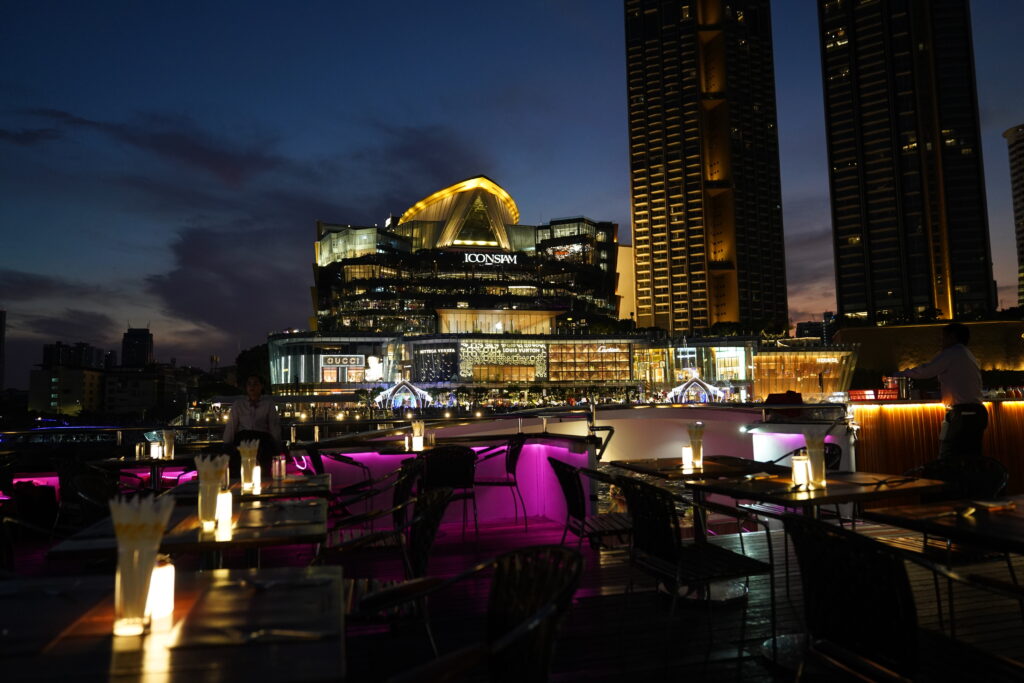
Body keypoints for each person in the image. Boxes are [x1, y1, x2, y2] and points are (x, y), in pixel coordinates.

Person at [896, 323, 987, 461]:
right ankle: (970, 481)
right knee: (970, 458)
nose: (941, 341)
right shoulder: (966, 353)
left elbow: (927, 370)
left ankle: (952, 482)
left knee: (949, 456)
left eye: (943, 337)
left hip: (964, 414)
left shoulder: (952, 352)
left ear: (953, 337)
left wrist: (900, 374)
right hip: (974, 413)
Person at [223, 374, 283, 470]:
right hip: (243, 439)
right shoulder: (238, 404)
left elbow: (274, 426)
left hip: (262, 440)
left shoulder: (268, 403)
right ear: (246, 387)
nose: (252, 386)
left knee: (264, 467)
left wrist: (277, 444)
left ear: (261, 386)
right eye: (249, 384)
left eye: (255, 384)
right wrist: (226, 444)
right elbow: (231, 425)